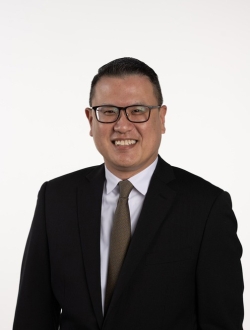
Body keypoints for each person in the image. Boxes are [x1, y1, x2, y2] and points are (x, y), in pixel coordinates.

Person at [13, 57, 244, 330]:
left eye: (138, 110)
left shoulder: (206, 207)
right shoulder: (56, 198)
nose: (122, 126)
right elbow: (32, 315)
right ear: (91, 120)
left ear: (161, 117)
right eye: (108, 111)